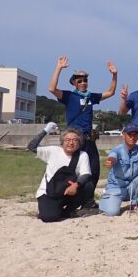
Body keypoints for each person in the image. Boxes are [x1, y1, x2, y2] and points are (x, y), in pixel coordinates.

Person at [49, 55, 117, 192]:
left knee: (94, 168)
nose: (83, 83)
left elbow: (110, 92)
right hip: (75, 138)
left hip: (89, 138)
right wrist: (59, 68)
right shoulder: (69, 96)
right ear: (74, 83)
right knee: (74, 168)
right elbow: (52, 89)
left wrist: (114, 75)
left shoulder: (91, 96)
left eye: (85, 80)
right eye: (79, 81)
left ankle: (88, 198)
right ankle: (71, 195)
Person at [27, 123, 95, 222]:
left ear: (80, 143)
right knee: (49, 217)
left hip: (69, 190)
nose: (71, 143)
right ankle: (56, 210)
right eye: (67, 140)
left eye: (75, 140)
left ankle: (68, 211)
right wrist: (46, 130)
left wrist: (76, 185)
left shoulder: (82, 155)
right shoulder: (53, 151)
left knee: (88, 185)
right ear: (62, 142)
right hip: (49, 191)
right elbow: (31, 147)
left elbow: (86, 174)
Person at [99, 124, 138, 216]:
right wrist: (110, 161)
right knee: (112, 212)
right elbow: (113, 156)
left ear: (137, 136)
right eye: (129, 134)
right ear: (123, 135)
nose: (132, 137)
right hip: (117, 188)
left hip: (132, 187)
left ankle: (137, 202)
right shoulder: (117, 149)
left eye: (134, 135)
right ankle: (106, 198)